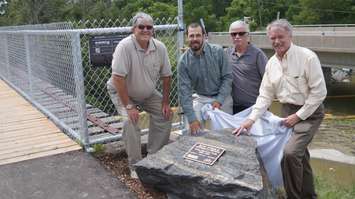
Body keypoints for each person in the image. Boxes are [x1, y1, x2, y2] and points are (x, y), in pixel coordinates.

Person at [234, 19, 327, 198]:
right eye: (272, 38)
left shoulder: (308, 57)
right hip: (286, 111)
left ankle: (293, 196)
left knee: (290, 154)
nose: (276, 41)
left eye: (280, 37)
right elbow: (265, 96)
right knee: (301, 155)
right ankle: (309, 195)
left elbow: (319, 93)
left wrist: (298, 116)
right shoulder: (271, 63)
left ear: (290, 36)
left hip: (310, 112)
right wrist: (250, 120)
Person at [106, 12, 172, 178]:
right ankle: (135, 166)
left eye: (149, 27)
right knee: (131, 121)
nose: (145, 30)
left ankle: (153, 157)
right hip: (124, 92)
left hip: (147, 93)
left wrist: (165, 102)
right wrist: (129, 106)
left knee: (166, 114)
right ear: (133, 29)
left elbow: (167, 76)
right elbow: (118, 78)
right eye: (141, 27)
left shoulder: (160, 47)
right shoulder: (124, 46)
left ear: (153, 30)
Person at [178, 23, 232, 135]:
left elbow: (227, 78)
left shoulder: (218, 52)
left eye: (198, 35)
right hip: (201, 97)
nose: (195, 39)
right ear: (187, 37)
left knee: (224, 133)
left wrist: (219, 100)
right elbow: (185, 92)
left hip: (221, 96)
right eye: (191, 36)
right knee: (191, 129)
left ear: (204, 36)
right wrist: (192, 119)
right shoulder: (184, 61)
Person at [225, 20, 268, 113]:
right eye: (233, 34)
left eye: (241, 33)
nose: (237, 37)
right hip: (235, 108)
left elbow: (268, 81)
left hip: (255, 107)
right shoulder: (227, 53)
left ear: (248, 35)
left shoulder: (258, 54)